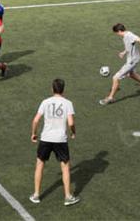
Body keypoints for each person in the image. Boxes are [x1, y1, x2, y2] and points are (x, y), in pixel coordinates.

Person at [29, 78, 79, 206]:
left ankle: (36, 195)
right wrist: (73, 132)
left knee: (40, 164)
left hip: (45, 138)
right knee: (65, 166)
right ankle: (68, 196)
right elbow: (71, 123)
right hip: (60, 139)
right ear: (63, 89)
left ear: (52, 89)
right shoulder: (68, 103)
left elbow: (35, 120)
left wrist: (34, 133)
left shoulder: (45, 102)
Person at [101, 24, 140, 104]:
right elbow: (129, 45)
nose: (117, 35)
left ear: (119, 31)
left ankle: (110, 97)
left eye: (117, 33)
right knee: (131, 74)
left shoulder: (129, 35)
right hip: (132, 58)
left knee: (115, 77)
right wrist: (124, 52)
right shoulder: (125, 36)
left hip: (132, 60)